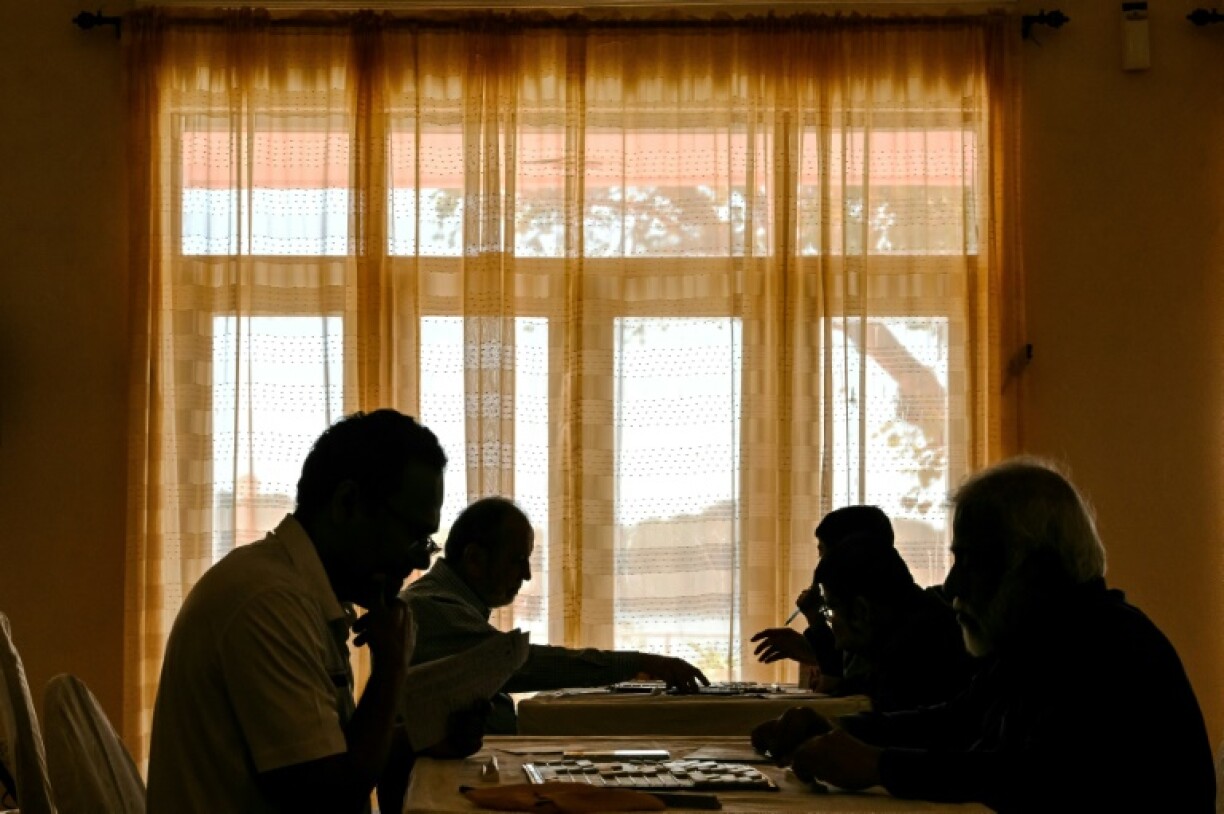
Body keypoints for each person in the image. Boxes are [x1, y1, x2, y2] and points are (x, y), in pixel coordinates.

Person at [751, 457, 1215, 813]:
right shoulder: (1035, 643)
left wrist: (878, 764)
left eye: (970, 561)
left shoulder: (1109, 650)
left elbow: (1036, 777)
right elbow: (956, 720)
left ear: (1036, 569)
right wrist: (833, 727)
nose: (952, 586)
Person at [147, 409, 478, 814]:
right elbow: (328, 796)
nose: (423, 563)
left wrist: (417, 740)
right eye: (414, 536)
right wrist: (391, 668)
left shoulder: (301, 593)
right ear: (347, 503)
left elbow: (330, 757)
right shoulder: (269, 602)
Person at [402, 496, 710, 733]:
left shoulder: (445, 604)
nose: (525, 574)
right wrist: (638, 663)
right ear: (474, 559)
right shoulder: (432, 610)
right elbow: (525, 664)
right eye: (517, 560)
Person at [791, 533, 974, 712]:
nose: (834, 627)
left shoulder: (911, 664)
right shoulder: (920, 634)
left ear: (861, 611)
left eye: (832, 610)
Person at [750, 505, 895, 692]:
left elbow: (836, 689)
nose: (821, 562)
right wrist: (814, 645)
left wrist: (816, 626)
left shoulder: (872, 616)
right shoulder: (886, 606)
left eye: (823, 551)